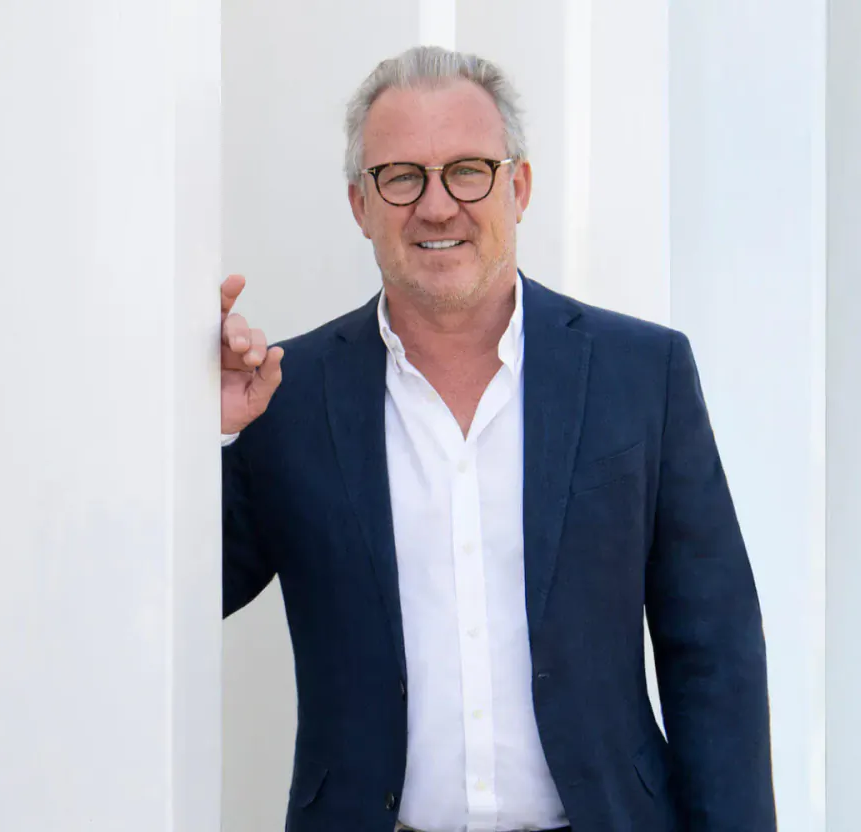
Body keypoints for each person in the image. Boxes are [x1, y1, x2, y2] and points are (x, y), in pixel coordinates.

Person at [217, 46, 775, 832]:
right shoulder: (287, 392)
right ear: (359, 204)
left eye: (468, 171)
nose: (437, 206)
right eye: (401, 176)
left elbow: (713, 651)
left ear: (518, 186)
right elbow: (182, 592)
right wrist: (188, 432)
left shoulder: (641, 374)